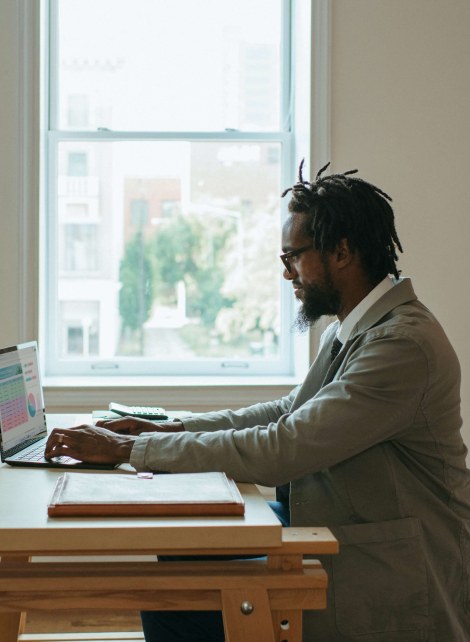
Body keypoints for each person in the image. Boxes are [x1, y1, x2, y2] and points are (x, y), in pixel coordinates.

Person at [45, 161, 470, 641]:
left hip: (387, 562)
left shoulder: (401, 346)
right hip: (328, 526)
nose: (288, 273)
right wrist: (169, 431)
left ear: (343, 252)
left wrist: (128, 451)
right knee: (175, 570)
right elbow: (286, 412)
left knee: (176, 593)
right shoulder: (352, 330)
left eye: (293, 256)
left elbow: (284, 447)